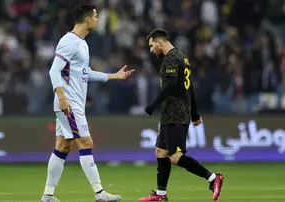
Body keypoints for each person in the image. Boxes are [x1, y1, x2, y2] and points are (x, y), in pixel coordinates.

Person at [40, 4, 134, 202]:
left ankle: (48, 195)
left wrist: (112, 76)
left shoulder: (82, 43)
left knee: (63, 146)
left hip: (71, 103)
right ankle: (100, 193)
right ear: (88, 19)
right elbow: (53, 71)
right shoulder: (69, 41)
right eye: (96, 16)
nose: (98, 19)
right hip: (69, 104)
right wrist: (63, 98)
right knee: (86, 142)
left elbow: (85, 73)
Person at [139, 29, 224, 202]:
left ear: (159, 42)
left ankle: (213, 178)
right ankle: (160, 195)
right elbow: (189, 88)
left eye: (151, 45)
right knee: (160, 151)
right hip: (175, 112)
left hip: (174, 113)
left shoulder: (170, 58)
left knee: (175, 156)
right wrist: (194, 113)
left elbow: (170, 86)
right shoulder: (182, 57)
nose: (151, 50)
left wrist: (152, 106)